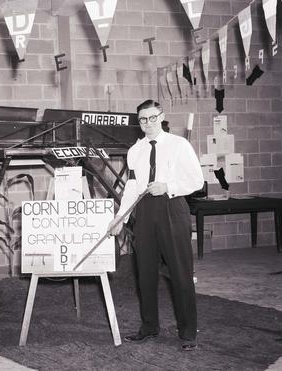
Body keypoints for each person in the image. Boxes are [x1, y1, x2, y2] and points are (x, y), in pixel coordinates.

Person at [107, 99, 204, 351]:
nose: (148, 123)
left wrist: (167, 187)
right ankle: (149, 327)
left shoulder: (178, 145)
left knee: (180, 272)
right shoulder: (135, 150)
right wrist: (121, 217)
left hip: (172, 207)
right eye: (142, 119)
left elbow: (197, 181)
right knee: (146, 273)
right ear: (138, 122)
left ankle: (188, 333)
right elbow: (131, 187)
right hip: (144, 211)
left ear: (161, 117)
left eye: (152, 118)